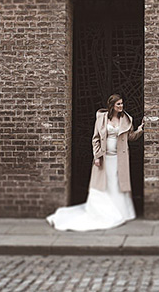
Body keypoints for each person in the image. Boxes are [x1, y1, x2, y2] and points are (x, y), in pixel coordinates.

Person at [47, 94, 144, 231]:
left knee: (117, 183)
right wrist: (97, 156)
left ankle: (122, 212)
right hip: (105, 158)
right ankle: (103, 211)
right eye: (118, 104)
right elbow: (95, 139)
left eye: (122, 104)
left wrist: (140, 130)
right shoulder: (101, 119)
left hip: (119, 158)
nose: (121, 106)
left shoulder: (126, 119)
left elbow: (131, 137)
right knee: (104, 184)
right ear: (112, 106)